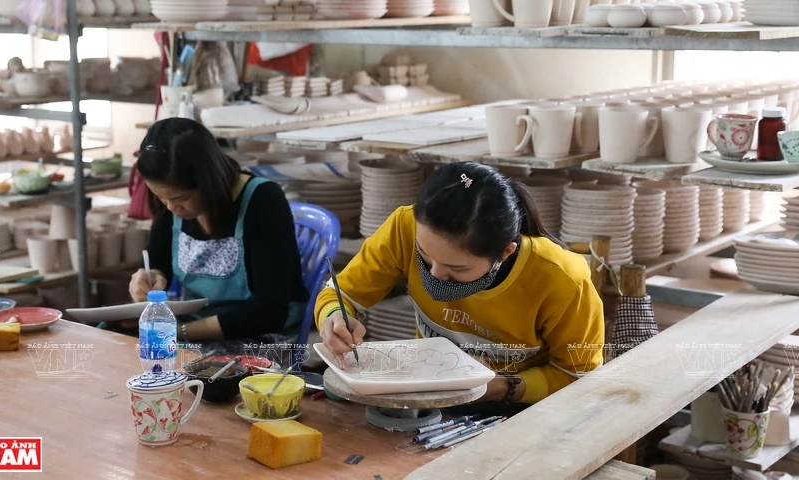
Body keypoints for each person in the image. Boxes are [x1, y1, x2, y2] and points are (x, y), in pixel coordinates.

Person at [315, 162, 604, 416]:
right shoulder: (404, 227)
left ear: (505, 252)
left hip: (522, 409)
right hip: (429, 397)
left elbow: (579, 374)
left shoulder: (562, 279)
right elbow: (340, 294)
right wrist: (334, 318)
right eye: (424, 257)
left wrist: (502, 387)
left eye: (458, 268)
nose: (436, 274)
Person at [126, 117, 308, 359]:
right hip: (194, 326)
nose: (170, 208)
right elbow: (158, 260)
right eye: (161, 197)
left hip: (260, 334)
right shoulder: (171, 202)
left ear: (208, 181)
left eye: (180, 198)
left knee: (178, 368)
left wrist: (178, 332)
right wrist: (151, 276)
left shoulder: (263, 200)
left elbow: (270, 311)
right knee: (114, 340)